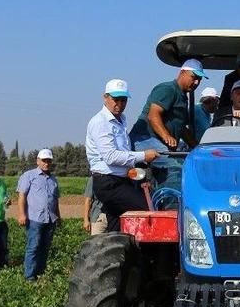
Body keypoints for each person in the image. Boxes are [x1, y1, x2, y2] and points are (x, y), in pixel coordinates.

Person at [87, 79, 159, 232]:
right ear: (105, 97)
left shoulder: (120, 121)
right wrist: (143, 156)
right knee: (147, 209)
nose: (119, 103)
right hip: (108, 183)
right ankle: (150, 254)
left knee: (116, 227)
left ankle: (119, 253)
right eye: (115, 99)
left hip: (120, 181)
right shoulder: (100, 122)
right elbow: (111, 157)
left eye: (123, 99)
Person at [129, 59, 206, 196]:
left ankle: (161, 200)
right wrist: (166, 136)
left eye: (199, 79)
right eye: (194, 77)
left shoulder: (183, 98)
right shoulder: (167, 89)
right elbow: (153, 115)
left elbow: (181, 129)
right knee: (175, 168)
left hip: (160, 142)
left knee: (185, 166)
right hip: (145, 139)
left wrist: (199, 147)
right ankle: (172, 208)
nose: (196, 83)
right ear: (182, 72)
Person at [17, 149, 61, 280]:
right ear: (38, 161)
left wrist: (58, 216)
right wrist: (21, 214)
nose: (46, 163)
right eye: (44, 160)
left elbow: (55, 200)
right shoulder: (29, 176)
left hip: (50, 219)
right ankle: (29, 277)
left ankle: (40, 274)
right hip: (35, 219)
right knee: (33, 247)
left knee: (45, 248)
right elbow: (21, 196)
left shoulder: (53, 179)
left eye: (49, 161)